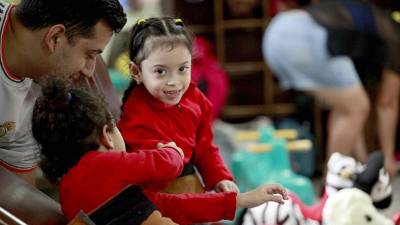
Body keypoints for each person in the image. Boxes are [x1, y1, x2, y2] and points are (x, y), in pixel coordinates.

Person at [32, 78, 288, 224]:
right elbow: (166, 166)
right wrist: (171, 150)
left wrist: (244, 199)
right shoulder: (101, 165)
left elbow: (172, 205)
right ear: (106, 135)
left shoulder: (73, 192)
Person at [263, 0, 400, 180]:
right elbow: (387, 104)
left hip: (276, 33)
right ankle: (332, 190)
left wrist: (365, 161)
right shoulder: (395, 36)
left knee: (349, 108)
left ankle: (333, 187)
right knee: (356, 107)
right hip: (301, 36)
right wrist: (388, 159)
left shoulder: (372, 27)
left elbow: (351, 115)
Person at [0, 0, 126, 185]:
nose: (89, 71)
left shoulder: (42, 89)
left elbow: (19, 191)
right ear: (55, 37)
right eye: (89, 55)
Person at [118, 17, 239, 194]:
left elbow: (205, 147)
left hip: (191, 186)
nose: (174, 82)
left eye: (182, 69)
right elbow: (144, 168)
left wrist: (220, 177)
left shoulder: (196, 99)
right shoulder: (135, 113)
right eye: (160, 71)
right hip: (154, 197)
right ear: (136, 71)